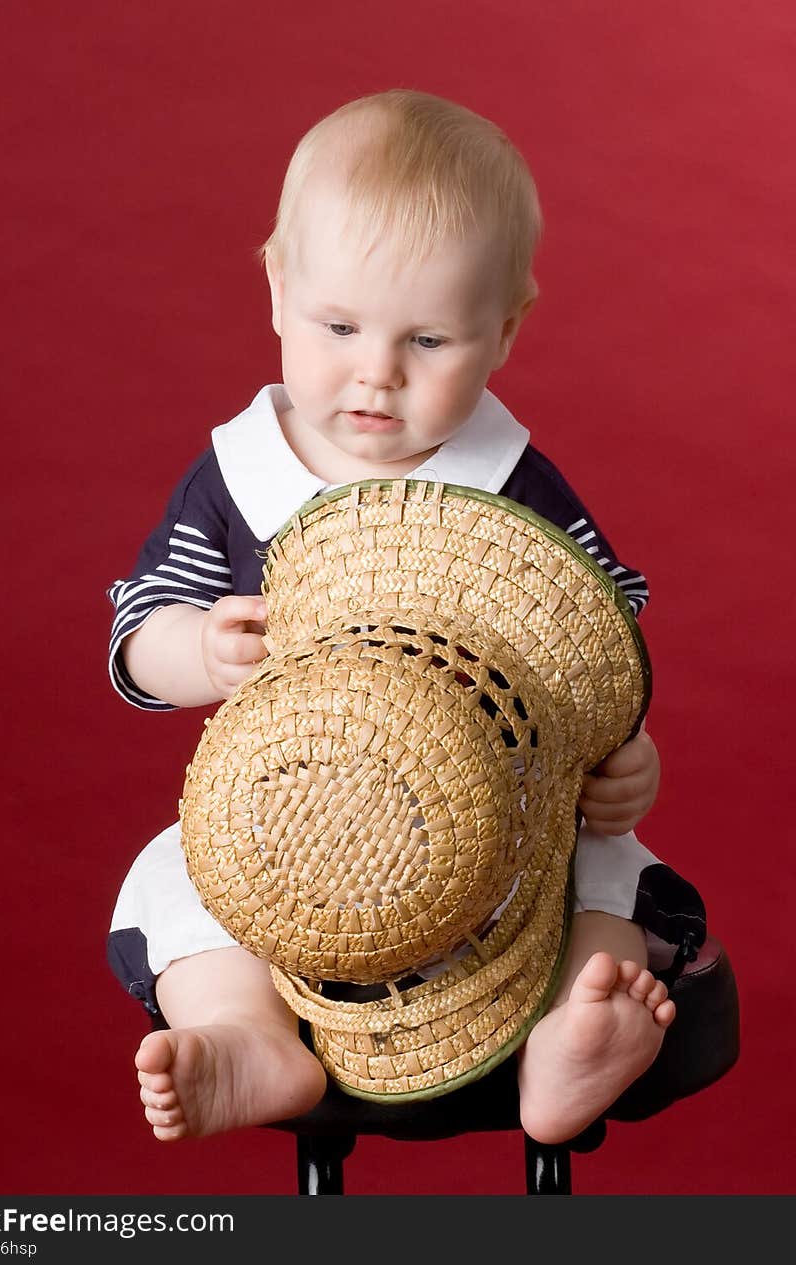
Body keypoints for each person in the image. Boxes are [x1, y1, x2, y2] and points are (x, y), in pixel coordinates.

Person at [107, 89, 702, 1148]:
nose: (377, 371)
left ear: (504, 331)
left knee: (606, 868)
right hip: (288, 848)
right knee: (177, 879)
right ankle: (247, 1037)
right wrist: (196, 649)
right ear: (279, 292)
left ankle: (574, 1031)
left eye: (428, 339)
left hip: (500, 842)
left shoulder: (509, 484)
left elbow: (602, 652)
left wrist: (627, 755)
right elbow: (141, 628)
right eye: (341, 327)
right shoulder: (239, 480)